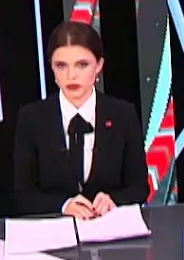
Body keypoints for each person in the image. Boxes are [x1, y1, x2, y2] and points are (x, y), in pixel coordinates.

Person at [13, 20, 147, 218]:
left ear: (99, 66)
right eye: (61, 65)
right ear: (51, 67)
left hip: (109, 229)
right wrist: (63, 205)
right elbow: (22, 195)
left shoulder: (123, 115)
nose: (71, 75)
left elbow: (139, 189)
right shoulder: (32, 118)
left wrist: (114, 200)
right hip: (55, 231)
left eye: (82, 65)